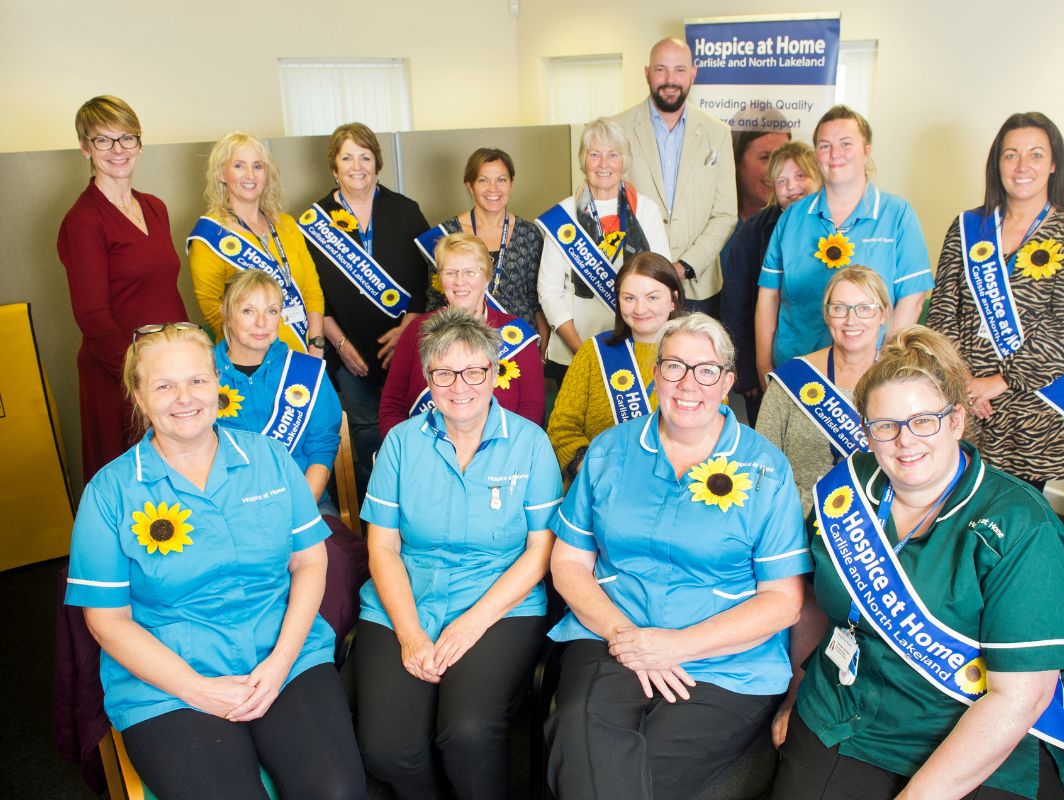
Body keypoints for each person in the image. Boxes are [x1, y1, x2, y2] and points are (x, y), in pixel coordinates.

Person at [771, 326, 1064, 800]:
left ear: (957, 421)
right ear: (868, 433)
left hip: (975, 725)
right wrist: (798, 691)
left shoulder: (1023, 525)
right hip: (846, 708)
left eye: (924, 420)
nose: (905, 441)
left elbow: (1019, 696)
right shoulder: (846, 488)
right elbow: (818, 599)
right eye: (885, 426)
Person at [64, 323, 364, 800]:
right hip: (167, 682)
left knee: (336, 791)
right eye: (164, 385)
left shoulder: (268, 457)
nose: (185, 397)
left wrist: (282, 661)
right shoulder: (109, 492)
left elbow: (310, 562)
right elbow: (107, 621)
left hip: (282, 653)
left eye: (197, 380)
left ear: (217, 384)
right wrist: (197, 689)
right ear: (139, 398)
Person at [545, 313, 810, 800]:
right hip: (612, 635)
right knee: (582, 739)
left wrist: (677, 646)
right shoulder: (609, 450)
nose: (689, 384)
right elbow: (567, 562)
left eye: (706, 370)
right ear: (655, 374)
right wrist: (627, 636)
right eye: (674, 367)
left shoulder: (766, 468)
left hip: (726, 660)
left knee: (607, 770)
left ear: (728, 382)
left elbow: (783, 602)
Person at [355, 308, 562, 799]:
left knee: (466, 733)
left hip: (499, 602)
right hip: (406, 598)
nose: (460, 386)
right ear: (428, 377)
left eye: (474, 371)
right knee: (387, 749)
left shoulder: (531, 444)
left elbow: (540, 551)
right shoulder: (401, 444)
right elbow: (382, 545)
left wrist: (473, 622)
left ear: (494, 373)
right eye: (444, 373)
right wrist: (409, 635)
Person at [926, 112, 1064, 490]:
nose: (1023, 166)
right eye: (1011, 155)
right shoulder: (966, 227)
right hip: (964, 404)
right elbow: (942, 313)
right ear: (997, 163)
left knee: (1017, 526)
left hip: (1032, 412)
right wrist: (965, 383)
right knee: (951, 511)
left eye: (1036, 154)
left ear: (1054, 164)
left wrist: (998, 382)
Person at [214, 269, 368, 643]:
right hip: (225, 512)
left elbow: (321, 448)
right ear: (226, 313)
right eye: (249, 311)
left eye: (272, 310)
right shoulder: (201, 376)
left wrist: (293, 508)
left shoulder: (306, 371)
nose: (262, 323)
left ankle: (318, 658)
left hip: (306, 504)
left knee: (331, 575)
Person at [57, 95, 188, 483]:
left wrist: (185, 359)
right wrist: (142, 382)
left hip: (166, 370)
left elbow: (167, 290)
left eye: (127, 138)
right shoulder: (83, 220)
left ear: (140, 143)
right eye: (103, 140)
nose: (118, 150)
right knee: (136, 490)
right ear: (85, 147)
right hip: (120, 378)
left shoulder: (154, 207)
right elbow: (93, 318)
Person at [756, 105, 932, 386]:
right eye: (825, 146)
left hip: (869, 377)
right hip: (795, 370)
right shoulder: (792, 218)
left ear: (867, 150)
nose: (835, 154)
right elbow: (769, 297)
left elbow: (912, 299)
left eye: (846, 144)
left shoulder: (897, 215)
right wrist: (763, 365)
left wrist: (885, 365)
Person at [300, 122, 430, 492]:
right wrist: (340, 345)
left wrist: (409, 328)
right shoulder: (313, 221)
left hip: (406, 349)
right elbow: (309, 292)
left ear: (377, 163)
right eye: (347, 157)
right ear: (334, 167)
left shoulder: (405, 210)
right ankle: (372, 518)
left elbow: (427, 279)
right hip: (349, 354)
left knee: (412, 429)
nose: (357, 165)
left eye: (365, 156)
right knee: (366, 437)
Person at [536, 118, 671, 379]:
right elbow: (549, 290)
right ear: (583, 160)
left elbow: (662, 283)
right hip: (573, 350)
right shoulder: (562, 215)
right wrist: (581, 350)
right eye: (594, 154)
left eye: (613, 155)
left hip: (639, 347)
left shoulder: (646, 210)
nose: (603, 164)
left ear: (625, 161)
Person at [614, 38, 737, 315]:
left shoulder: (717, 133)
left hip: (698, 287)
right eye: (661, 70)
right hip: (636, 286)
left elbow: (726, 213)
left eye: (679, 70)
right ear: (646, 72)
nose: (670, 79)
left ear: (693, 73)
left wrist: (685, 265)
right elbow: (605, 207)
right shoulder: (617, 129)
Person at [756, 265, 888, 514]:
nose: (851, 320)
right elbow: (763, 466)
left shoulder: (902, 383)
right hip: (792, 520)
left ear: (883, 314)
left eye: (864, 308)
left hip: (873, 534)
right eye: (839, 308)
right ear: (826, 315)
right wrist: (810, 512)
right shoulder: (791, 380)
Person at [380, 233, 543, 433]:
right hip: (425, 457)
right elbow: (391, 407)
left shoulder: (517, 333)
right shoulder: (416, 331)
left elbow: (532, 410)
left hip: (502, 457)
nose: (460, 281)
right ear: (440, 279)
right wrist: (408, 451)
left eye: (470, 272)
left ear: (487, 278)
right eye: (450, 273)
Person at [547, 252, 684, 478]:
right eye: (629, 298)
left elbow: (711, 431)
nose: (640, 309)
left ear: (673, 299)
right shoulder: (593, 353)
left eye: (652, 297)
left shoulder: (698, 356)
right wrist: (592, 470)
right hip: (597, 484)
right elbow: (561, 428)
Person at [188, 132, 326, 357]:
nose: (250, 175)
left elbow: (311, 288)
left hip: (305, 352)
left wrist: (316, 344)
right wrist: (258, 354)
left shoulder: (287, 225)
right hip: (252, 361)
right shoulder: (210, 236)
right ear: (221, 174)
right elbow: (214, 310)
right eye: (239, 166)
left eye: (258, 166)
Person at [723, 142, 821, 425]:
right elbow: (735, 302)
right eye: (782, 180)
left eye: (800, 176)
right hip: (770, 362)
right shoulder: (755, 230)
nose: (792, 187)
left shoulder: (838, 226)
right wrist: (750, 369)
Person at [419, 147, 547, 341]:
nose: (493, 189)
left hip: (518, 341)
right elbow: (435, 299)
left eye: (501, 180)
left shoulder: (529, 234)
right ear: (470, 185)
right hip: (459, 342)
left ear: (512, 183)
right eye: (483, 180)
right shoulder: (446, 235)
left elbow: (535, 298)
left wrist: (543, 339)